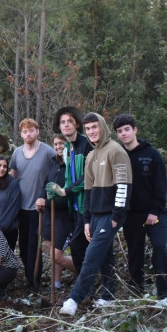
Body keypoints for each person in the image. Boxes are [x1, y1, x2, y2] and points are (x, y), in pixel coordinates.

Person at [60, 113, 132, 316]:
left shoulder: (116, 151)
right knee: (105, 255)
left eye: (95, 127)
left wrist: (117, 216)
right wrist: (86, 220)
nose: (92, 131)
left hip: (112, 214)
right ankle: (108, 297)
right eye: (88, 128)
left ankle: (74, 299)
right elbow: (88, 191)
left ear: (102, 127)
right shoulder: (92, 155)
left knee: (91, 257)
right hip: (95, 216)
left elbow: (123, 186)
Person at [113, 114, 167, 300]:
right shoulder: (118, 156)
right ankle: (137, 289)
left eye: (126, 130)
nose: (124, 134)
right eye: (119, 131)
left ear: (135, 130)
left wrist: (154, 211)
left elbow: (161, 186)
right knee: (134, 252)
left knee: (159, 247)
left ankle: (165, 292)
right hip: (131, 215)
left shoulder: (152, 155)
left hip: (155, 213)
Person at [9, 118, 56, 288]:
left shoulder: (48, 152)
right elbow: (12, 176)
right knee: (23, 247)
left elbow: (57, 173)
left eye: (31, 130)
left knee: (34, 247)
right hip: (21, 207)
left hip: (39, 208)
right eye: (24, 131)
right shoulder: (17, 153)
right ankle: (30, 278)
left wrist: (47, 195)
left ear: (37, 131)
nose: (28, 134)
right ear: (21, 134)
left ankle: (35, 282)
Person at [48, 107, 93, 276]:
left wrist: (65, 191)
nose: (66, 125)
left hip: (87, 206)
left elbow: (88, 177)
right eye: (62, 122)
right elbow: (69, 177)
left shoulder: (87, 145)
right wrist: (57, 191)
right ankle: (86, 285)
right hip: (73, 209)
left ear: (77, 124)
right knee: (79, 248)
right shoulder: (67, 149)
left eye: (69, 121)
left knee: (80, 246)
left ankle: (93, 286)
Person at [37, 134, 77, 289]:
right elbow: (46, 184)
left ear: (68, 144)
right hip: (49, 214)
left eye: (62, 143)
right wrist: (40, 199)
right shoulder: (54, 162)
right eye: (56, 144)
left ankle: (85, 272)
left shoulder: (72, 165)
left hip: (65, 217)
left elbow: (68, 196)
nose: (59, 146)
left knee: (57, 254)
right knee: (49, 247)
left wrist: (46, 202)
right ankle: (56, 283)